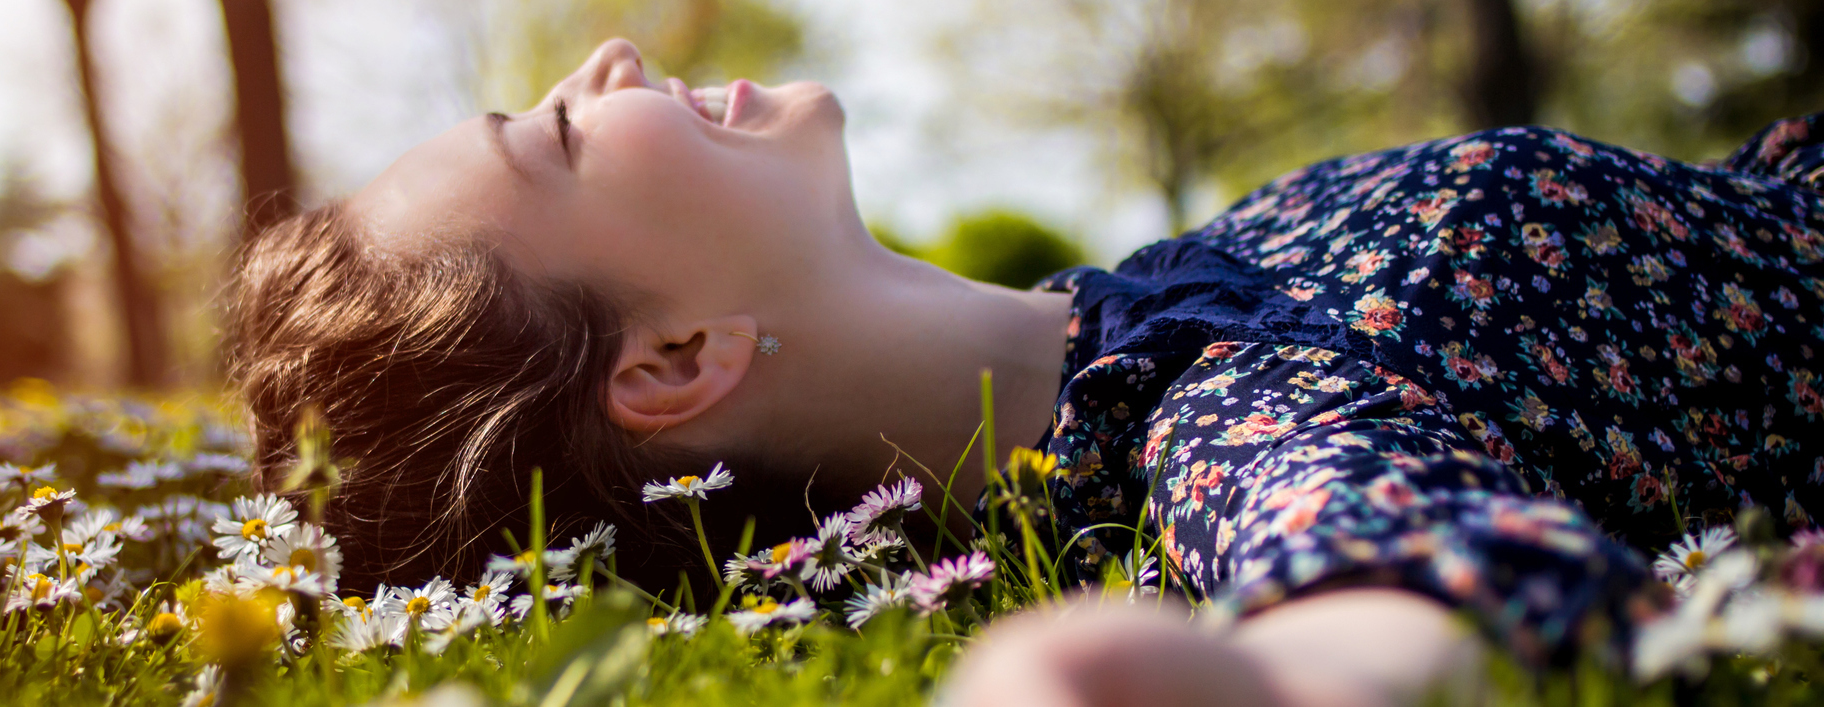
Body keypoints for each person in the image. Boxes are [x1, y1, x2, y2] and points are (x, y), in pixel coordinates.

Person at [227, 38, 1824, 704]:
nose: (611, 61)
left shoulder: (1156, 300)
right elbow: (1385, 579)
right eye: (563, 132)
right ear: (671, 363)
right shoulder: (1221, 415)